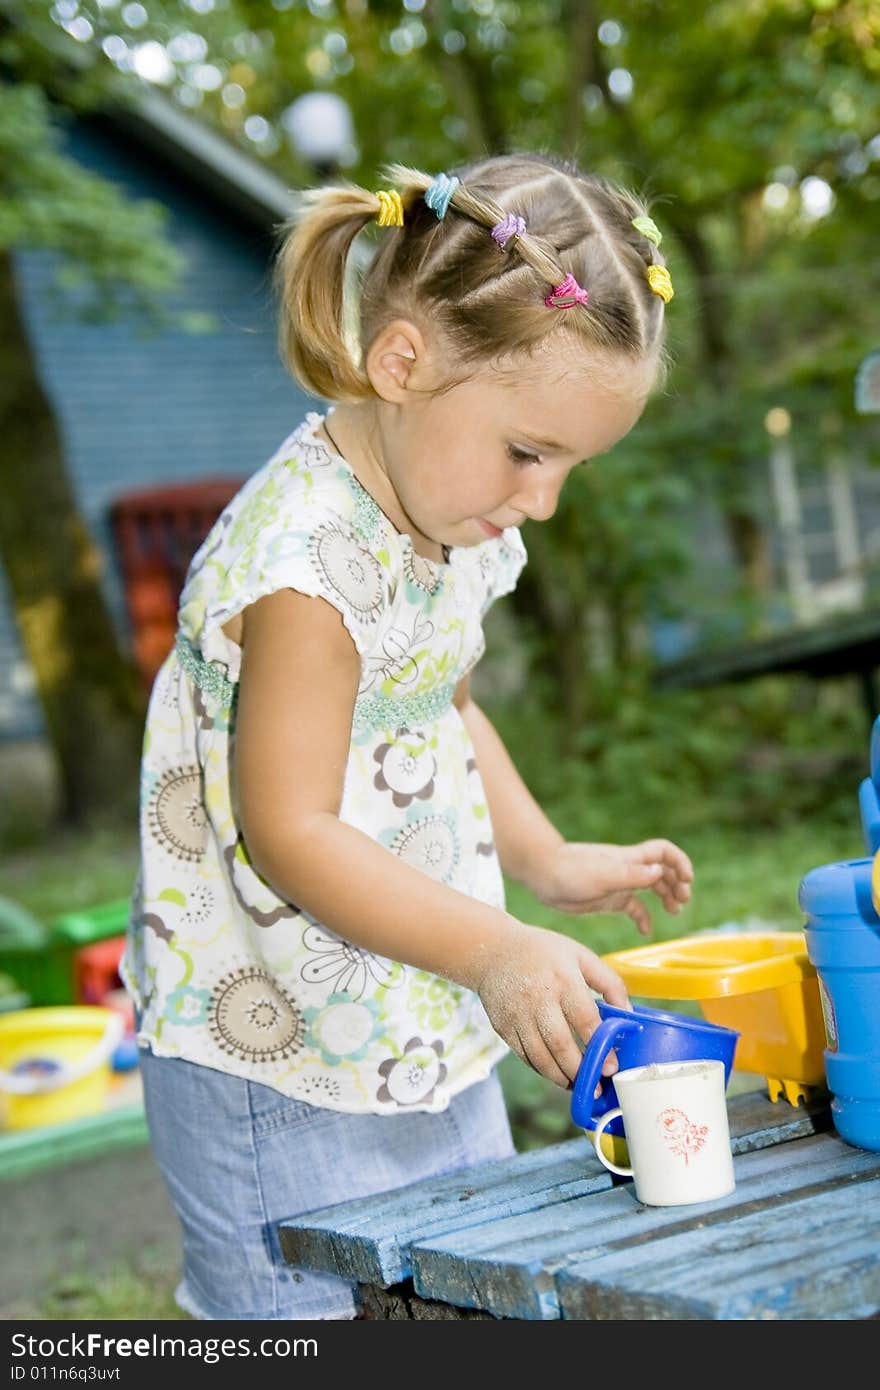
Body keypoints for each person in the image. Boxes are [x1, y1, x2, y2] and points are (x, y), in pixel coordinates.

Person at [121, 153, 691, 1322]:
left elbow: (444, 703)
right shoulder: (299, 571)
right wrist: (494, 947)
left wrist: (542, 860)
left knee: (459, 1299)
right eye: (529, 452)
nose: (541, 500)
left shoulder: (453, 519)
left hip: (414, 1015)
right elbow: (289, 830)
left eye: (569, 468)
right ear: (401, 362)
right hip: (275, 1053)